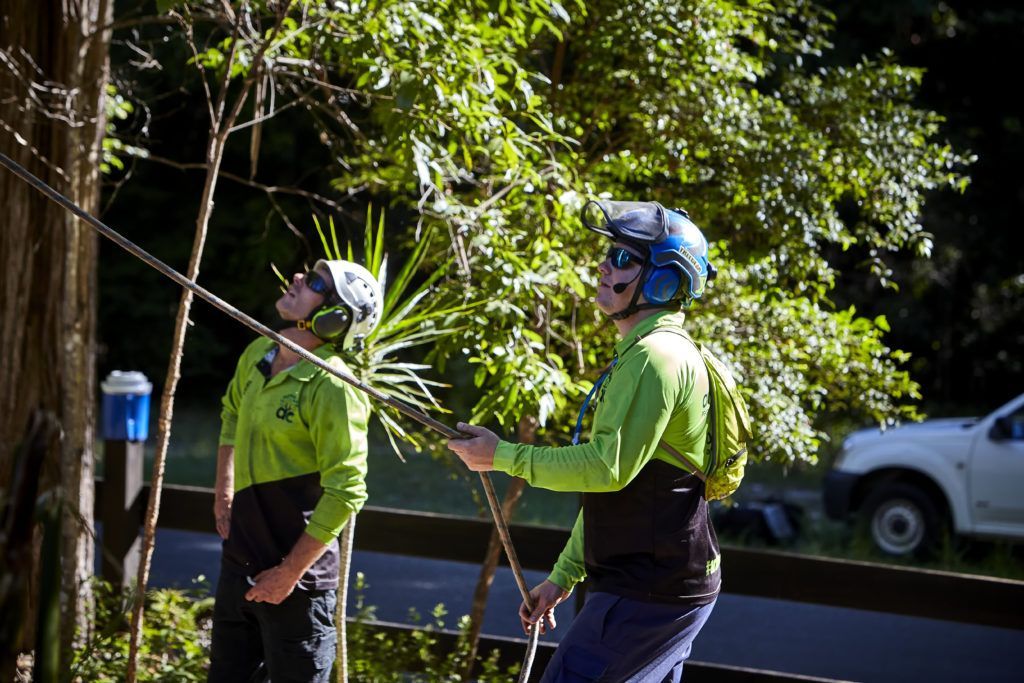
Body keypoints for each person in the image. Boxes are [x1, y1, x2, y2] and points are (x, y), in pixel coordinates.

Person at [448, 199, 720, 682]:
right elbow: (611, 488)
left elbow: (604, 468)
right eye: (609, 253)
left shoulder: (655, 359)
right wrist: (564, 575)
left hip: (648, 592)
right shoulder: (653, 352)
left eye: (622, 258)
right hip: (660, 586)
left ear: (663, 278)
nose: (602, 264)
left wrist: (501, 456)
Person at [208, 259, 382, 682]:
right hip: (238, 565)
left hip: (299, 588)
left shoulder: (334, 387)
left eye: (317, 282)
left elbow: (347, 490)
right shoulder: (260, 352)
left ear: (334, 317)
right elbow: (231, 412)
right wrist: (223, 487)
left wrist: (288, 574)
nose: (299, 278)